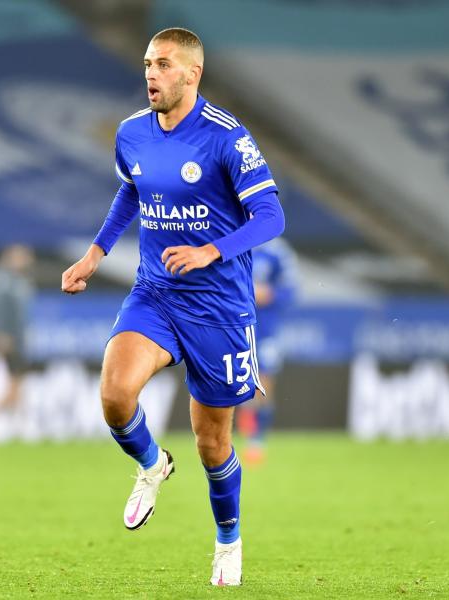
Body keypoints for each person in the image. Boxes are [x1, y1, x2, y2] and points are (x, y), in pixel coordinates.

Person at [61, 27, 284, 587]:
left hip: (219, 308)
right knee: (115, 395)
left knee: (213, 444)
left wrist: (213, 249)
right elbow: (131, 190)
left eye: (162, 65)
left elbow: (272, 218)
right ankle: (151, 464)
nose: (151, 75)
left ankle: (228, 540)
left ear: (192, 74)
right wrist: (95, 253)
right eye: (146, 64)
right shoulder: (132, 133)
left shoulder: (227, 138)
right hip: (156, 293)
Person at [238, 237, 299, 463]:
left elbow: (292, 291)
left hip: (265, 329)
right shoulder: (232, 240)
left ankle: (257, 441)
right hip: (234, 326)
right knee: (237, 383)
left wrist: (270, 294)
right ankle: (243, 419)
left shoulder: (278, 252)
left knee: (263, 383)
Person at [0, 244, 35, 414]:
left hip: (18, 338)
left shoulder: (21, 280)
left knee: (18, 377)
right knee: (5, 377)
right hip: (7, 337)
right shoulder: (1, 280)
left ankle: (11, 414)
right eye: (21, 256)